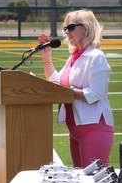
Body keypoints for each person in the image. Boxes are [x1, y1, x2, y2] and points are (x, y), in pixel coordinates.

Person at [38, 9, 114, 168]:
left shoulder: (96, 56)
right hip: (75, 131)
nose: (67, 32)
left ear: (86, 28)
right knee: (80, 179)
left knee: (93, 182)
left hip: (93, 130)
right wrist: (46, 56)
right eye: (65, 28)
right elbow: (55, 82)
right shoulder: (74, 56)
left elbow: (96, 94)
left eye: (71, 27)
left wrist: (66, 91)